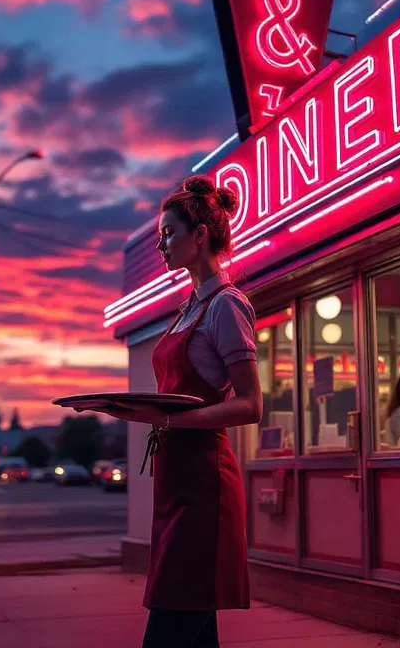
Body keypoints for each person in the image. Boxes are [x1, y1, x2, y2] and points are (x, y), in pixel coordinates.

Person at [84, 175, 262, 648]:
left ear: (199, 235)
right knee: (197, 633)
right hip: (175, 479)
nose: (161, 243)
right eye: (160, 234)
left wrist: (170, 420)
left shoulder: (226, 306)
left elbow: (250, 404)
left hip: (204, 486)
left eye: (168, 233)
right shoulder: (186, 308)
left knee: (167, 630)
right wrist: (130, 409)